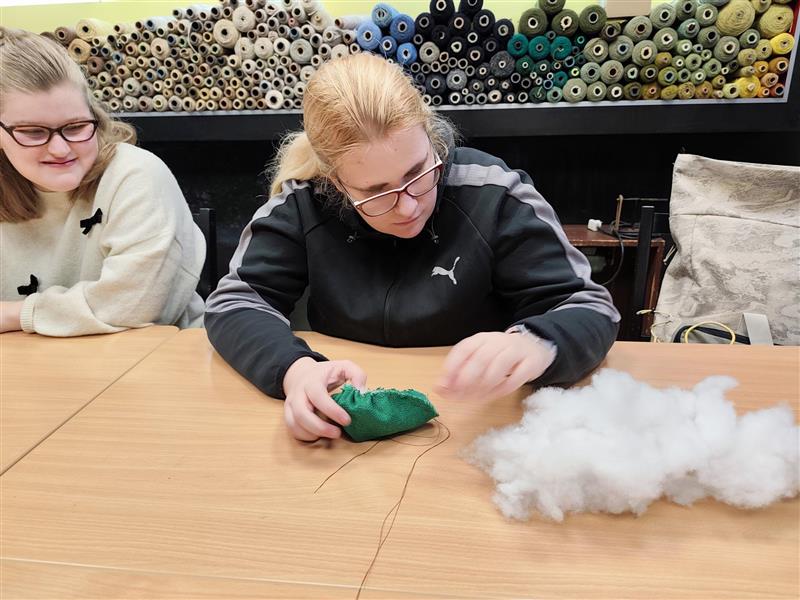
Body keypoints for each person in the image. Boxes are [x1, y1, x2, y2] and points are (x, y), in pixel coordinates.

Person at [206, 52, 620, 442]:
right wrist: (295, 370)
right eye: (375, 192)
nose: (408, 207)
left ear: (430, 136)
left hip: (476, 421)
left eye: (418, 172)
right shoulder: (302, 203)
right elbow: (236, 302)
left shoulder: (493, 192)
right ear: (335, 183)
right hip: (347, 427)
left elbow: (588, 306)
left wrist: (538, 342)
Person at [0, 28, 205, 336]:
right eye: (33, 132)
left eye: (76, 126)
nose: (60, 149)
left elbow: (134, 306)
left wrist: (13, 315)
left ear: (95, 116)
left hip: (153, 357)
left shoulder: (136, 175)